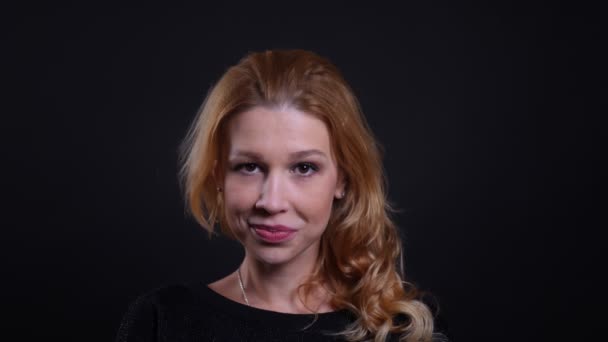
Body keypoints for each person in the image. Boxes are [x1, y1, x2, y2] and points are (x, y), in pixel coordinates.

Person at [115, 49, 446, 342]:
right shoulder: (163, 320)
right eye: (248, 167)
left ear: (342, 179)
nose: (272, 202)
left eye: (303, 168)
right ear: (218, 175)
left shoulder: (402, 330)